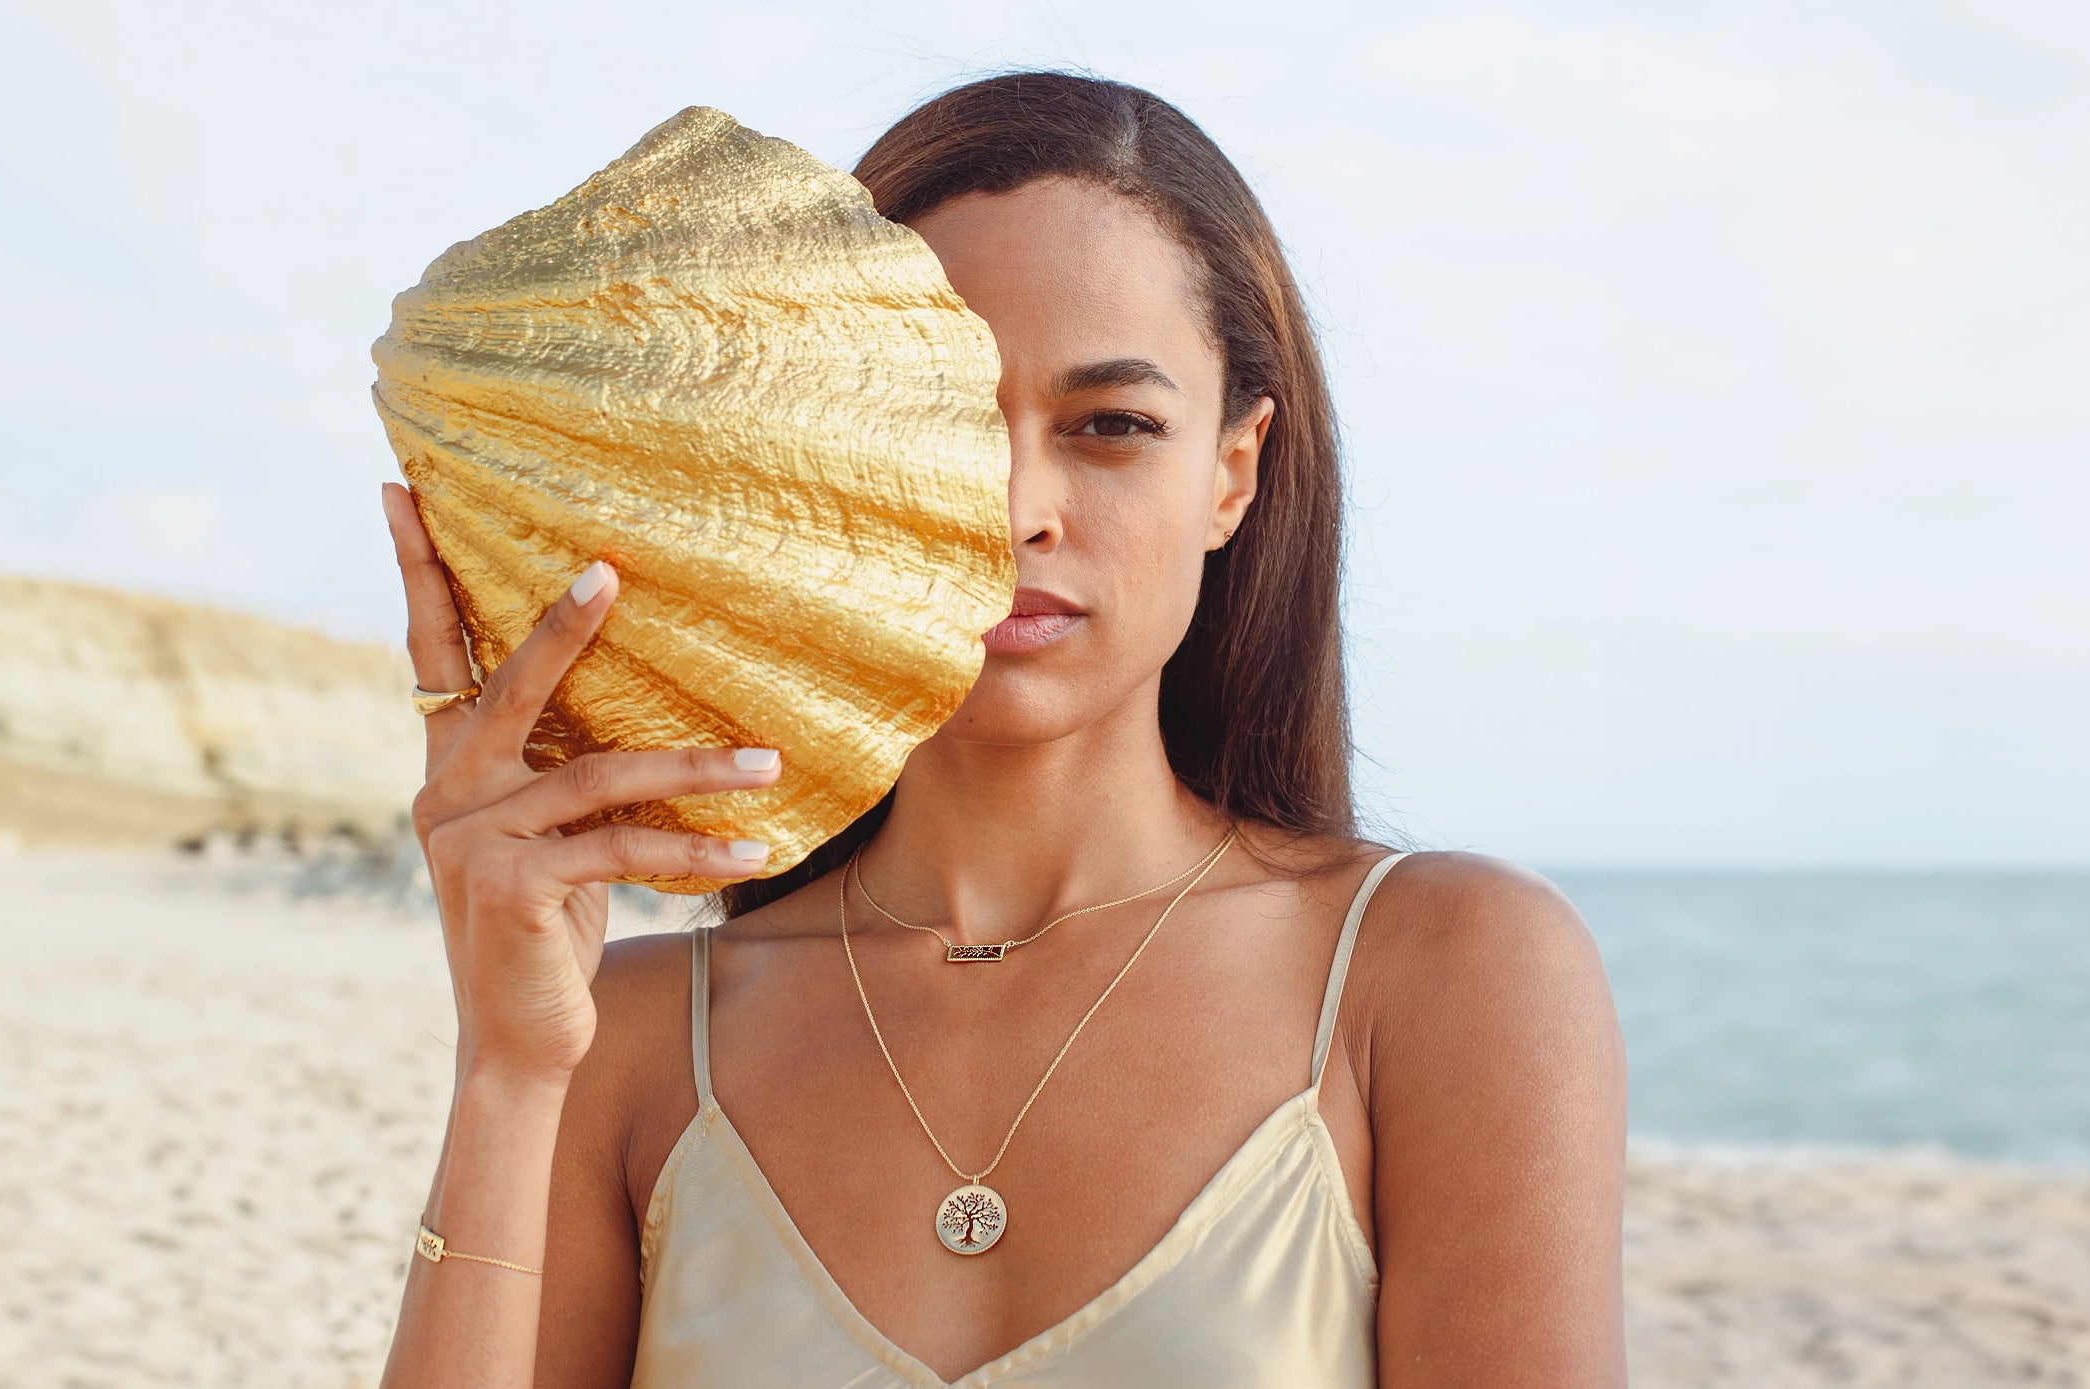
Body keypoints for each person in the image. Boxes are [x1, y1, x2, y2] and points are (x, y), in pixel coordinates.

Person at [375, 72, 1626, 1389]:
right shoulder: (620, 1035)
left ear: (1232, 470)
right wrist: (506, 1076)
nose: (1018, 505)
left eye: (1111, 427)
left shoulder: (1443, 976)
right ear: (815, 447)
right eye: (945, 424)